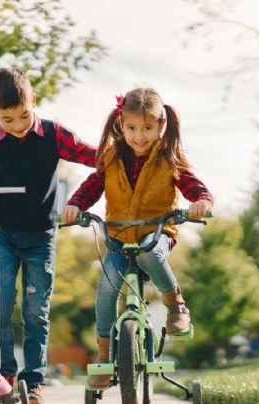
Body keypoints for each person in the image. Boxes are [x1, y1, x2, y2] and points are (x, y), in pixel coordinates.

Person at [63, 88, 213, 388]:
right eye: (132, 128)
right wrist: (76, 205)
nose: (139, 136)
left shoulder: (169, 158)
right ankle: (104, 356)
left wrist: (201, 203)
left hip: (157, 233)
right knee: (106, 288)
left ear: (161, 126)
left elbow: (195, 187)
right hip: (118, 236)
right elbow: (93, 185)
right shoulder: (111, 156)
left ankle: (176, 306)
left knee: (149, 253)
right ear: (121, 124)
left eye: (147, 128)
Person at [0, 67, 96, 403]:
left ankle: (33, 380)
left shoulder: (53, 134)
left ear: (32, 101)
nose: (19, 126)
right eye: (8, 120)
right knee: (2, 302)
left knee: (36, 309)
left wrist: (122, 153)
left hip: (41, 235)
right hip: (3, 234)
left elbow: (92, 154)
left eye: (24, 115)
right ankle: (3, 373)